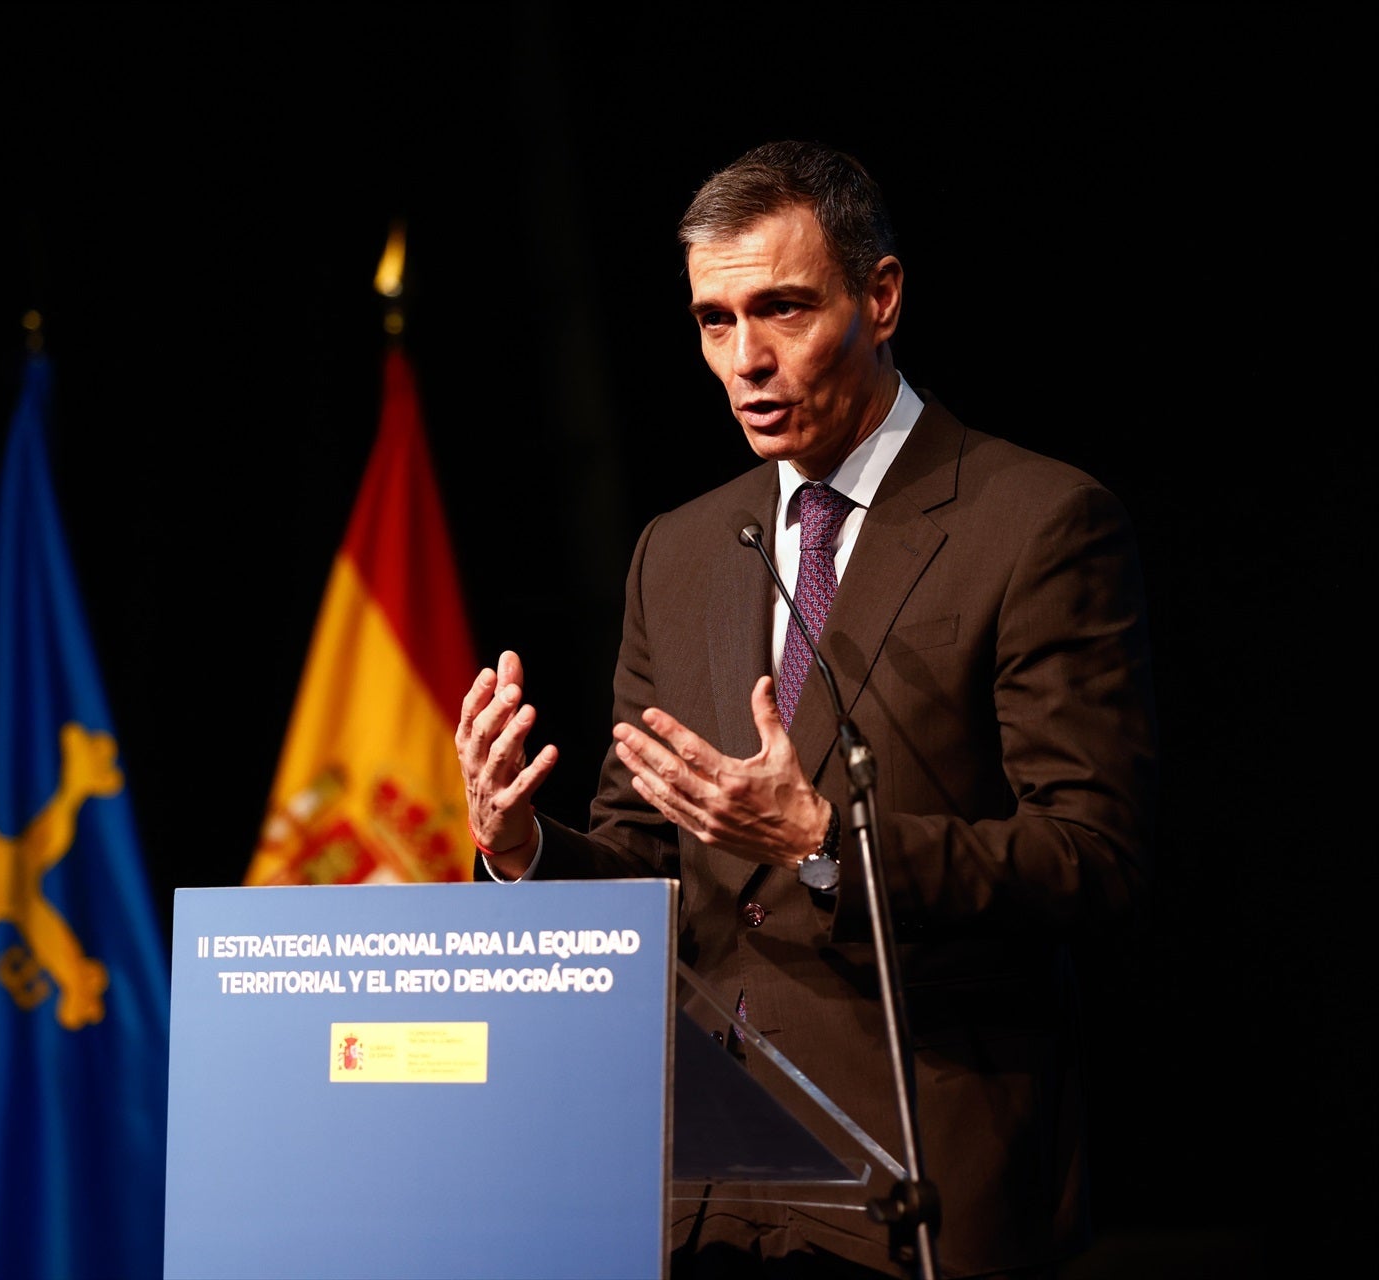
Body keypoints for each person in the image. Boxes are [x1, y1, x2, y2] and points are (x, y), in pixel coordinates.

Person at [456, 139, 1157, 1279]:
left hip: (924, 1182)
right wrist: (523, 850)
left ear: (880, 297)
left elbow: (1093, 863)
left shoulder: (1035, 522)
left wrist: (826, 842)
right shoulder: (677, 552)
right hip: (701, 1193)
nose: (748, 360)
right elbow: (650, 867)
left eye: (782, 309)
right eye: (715, 321)